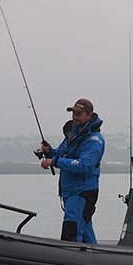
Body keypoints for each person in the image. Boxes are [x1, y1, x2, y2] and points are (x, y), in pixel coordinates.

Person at [40, 98, 105, 244]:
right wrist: (49, 151)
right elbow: (61, 153)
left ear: (89, 115)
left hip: (82, 193)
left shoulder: (95, 141)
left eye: (79, 114)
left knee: (72, 230)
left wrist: (54, 161)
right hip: (70, 192)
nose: (74, 117)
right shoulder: (73, 135)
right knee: (85, 229)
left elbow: (83, 166)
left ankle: (71, 256)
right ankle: (96, 256)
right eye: (73, 113)